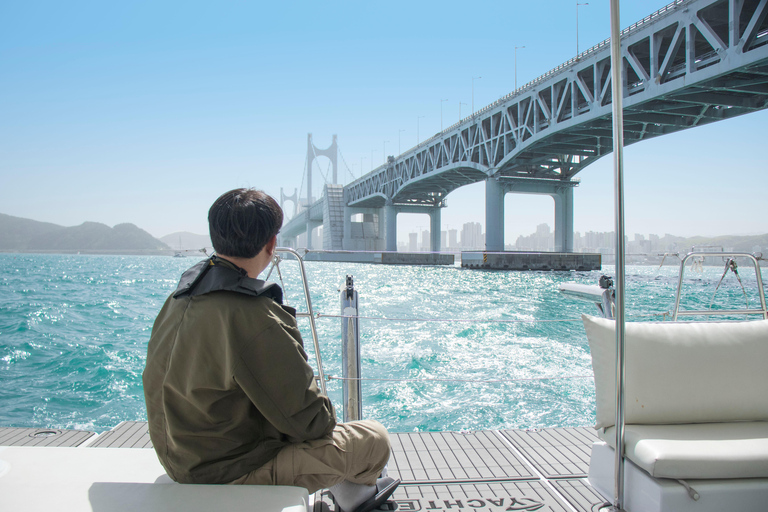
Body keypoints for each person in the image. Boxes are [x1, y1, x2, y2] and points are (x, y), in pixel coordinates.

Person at [142, 188, 399, 512]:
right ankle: (357, 502)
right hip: (226, 474)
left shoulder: (179, 298)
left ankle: (352, 498)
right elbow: (315, 423)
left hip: (181, 459)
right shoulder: (253, 316)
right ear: (271, 244)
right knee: (373, 441)